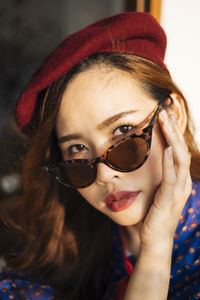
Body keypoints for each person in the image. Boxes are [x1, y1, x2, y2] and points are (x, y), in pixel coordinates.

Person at [0, 11, 200, 300]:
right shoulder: (63, 238)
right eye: (77, 149)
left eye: (124, 131)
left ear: (174, 115)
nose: (105, 175)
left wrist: (156, 247)